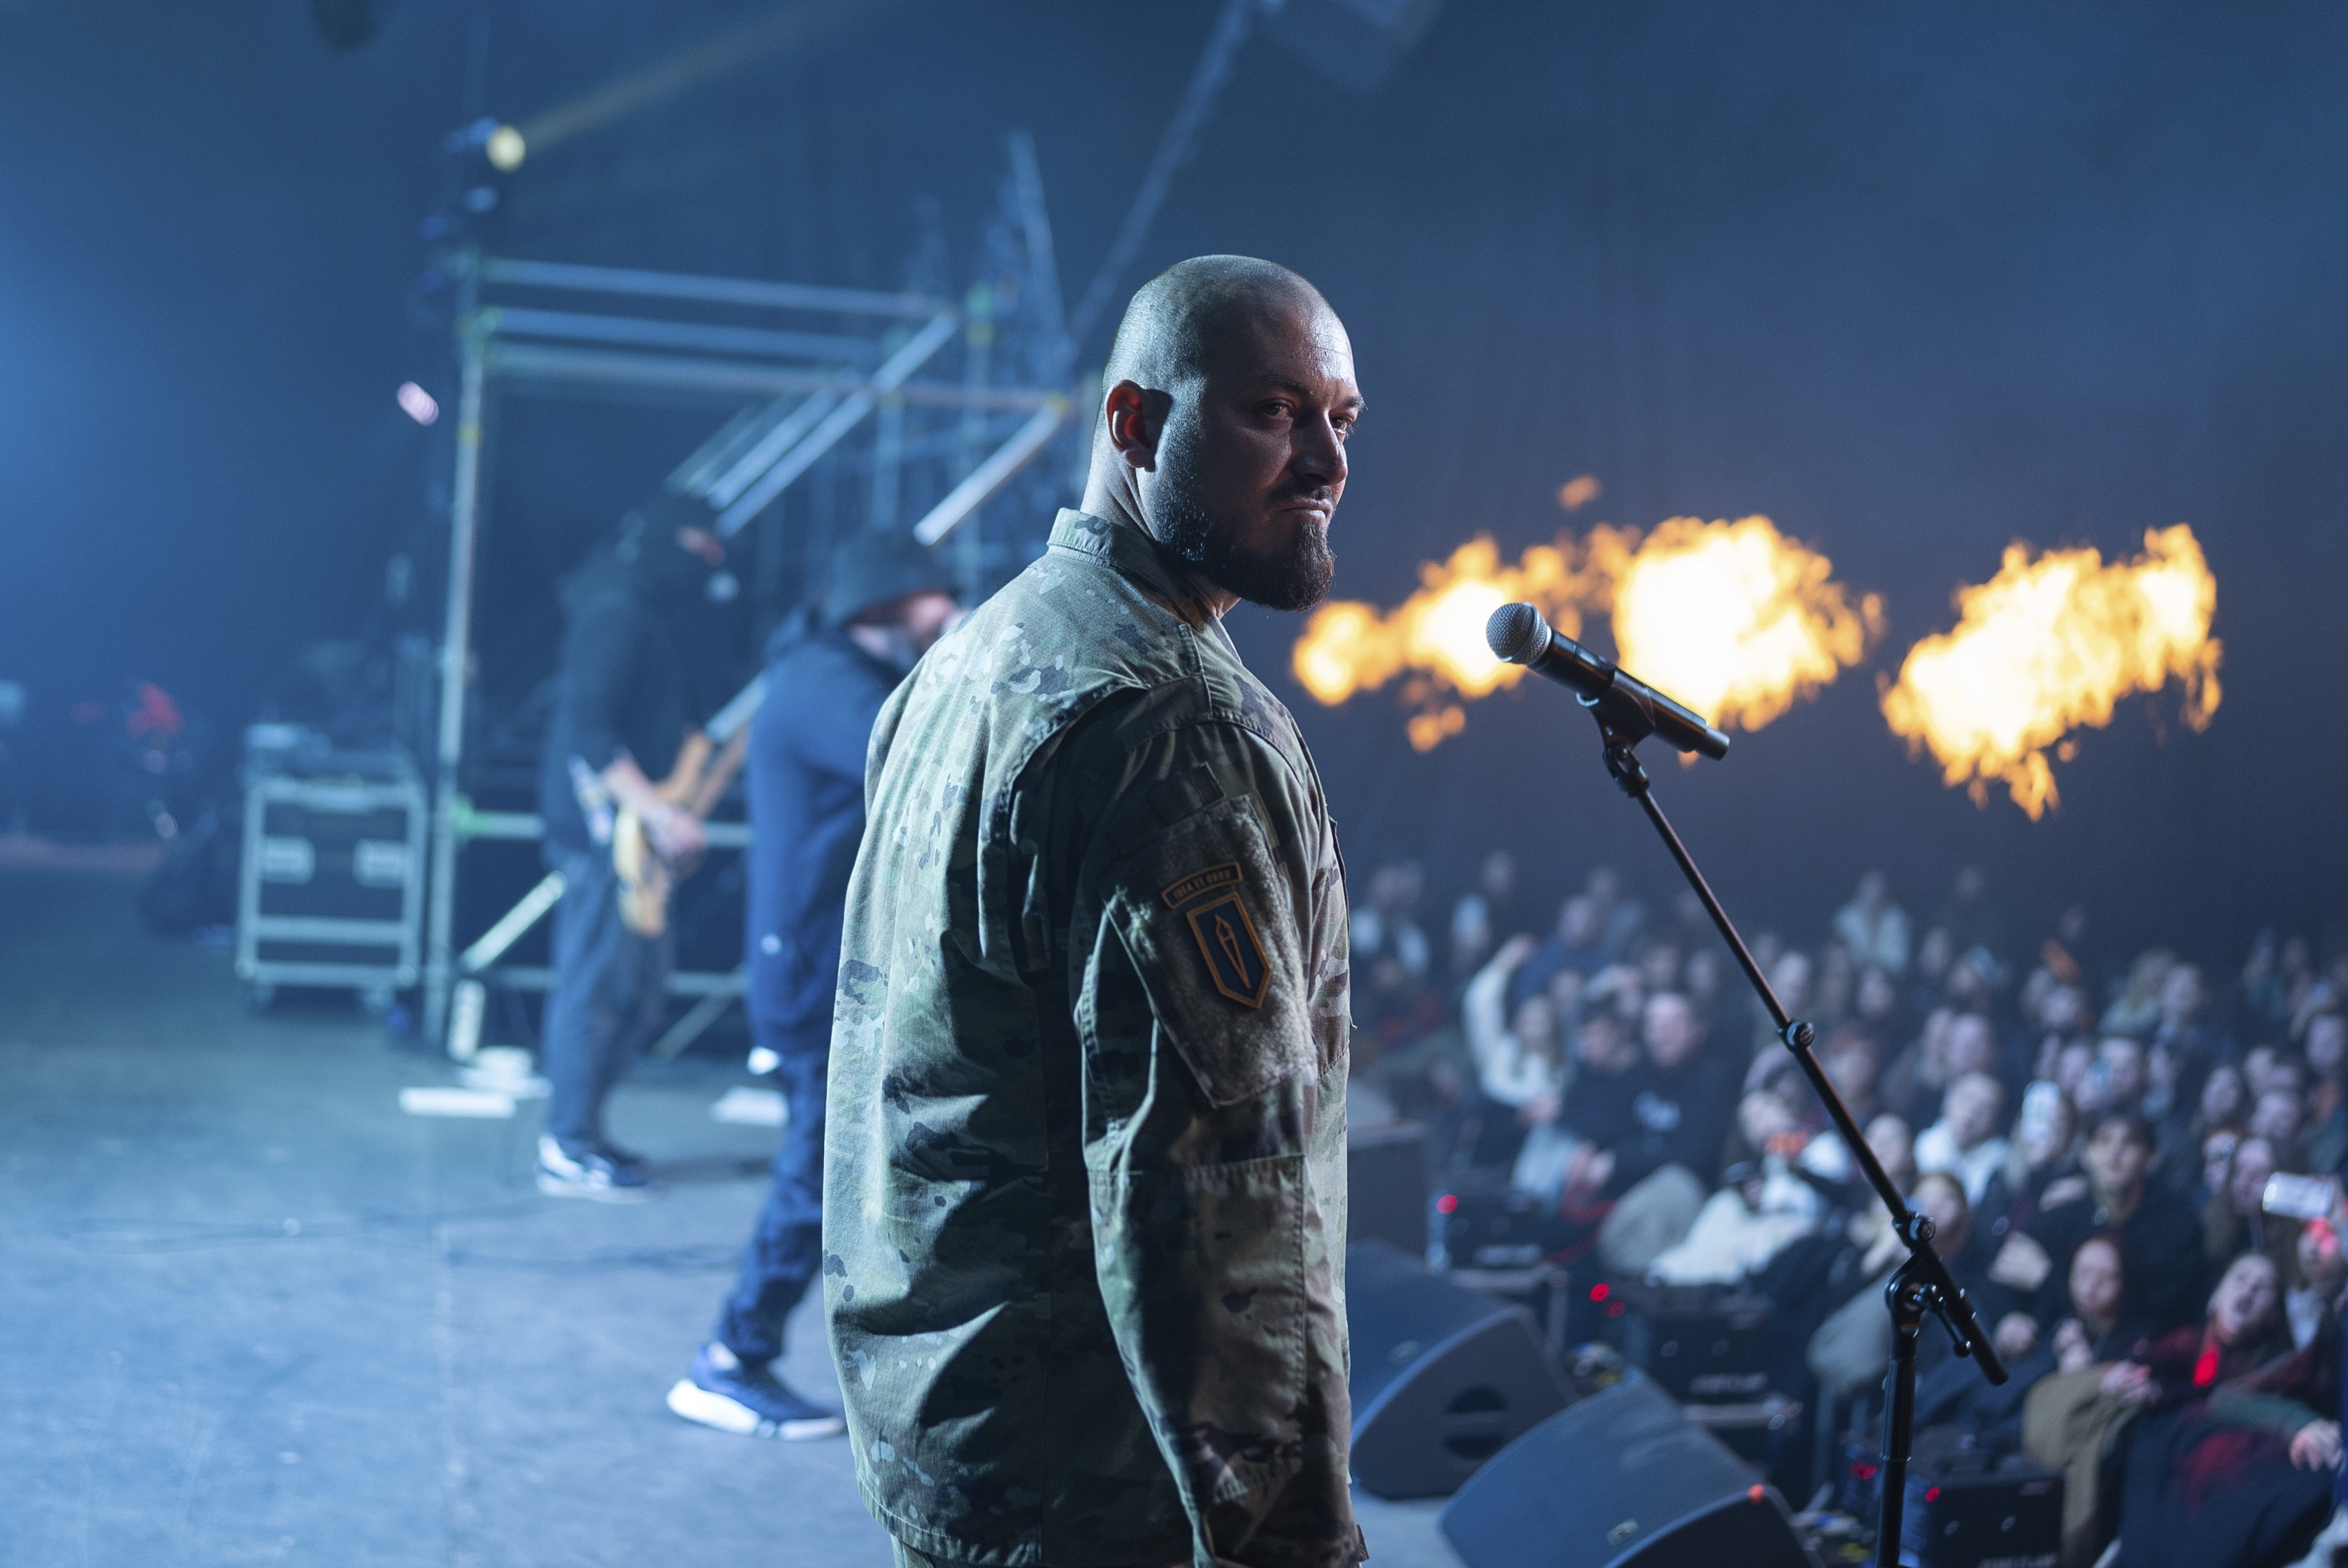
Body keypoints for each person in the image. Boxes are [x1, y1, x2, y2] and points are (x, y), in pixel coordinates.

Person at [823, 257, 1367, 1568]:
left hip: (948, 1429)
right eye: (1272, 411)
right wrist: (1292, 1543)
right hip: (1096, 1488)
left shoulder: (971, 656)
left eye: (1341, 420)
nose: (1324, 464)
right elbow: (1216, 1191)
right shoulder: (1172, 727)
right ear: (1134, 424)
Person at [666, 533, 957, 1442]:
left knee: (868, 1169)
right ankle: (730, 1355)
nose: (947, 613)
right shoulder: (827, 683)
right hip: (813, 977)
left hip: (836, 970)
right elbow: (922, 763)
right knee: (815, 1173)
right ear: (886, 602)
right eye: (933, 599)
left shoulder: (832, 672)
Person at [532, 498, 730, 1201]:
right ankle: (568, 1139)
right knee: (597, 986)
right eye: (702, 543)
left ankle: (584, 1129)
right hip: (600, 832)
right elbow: (587, 726)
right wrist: (655, 812)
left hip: (633, 830)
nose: (713, 558)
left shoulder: (648, 611)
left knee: (636, 990)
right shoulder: (617, 610)